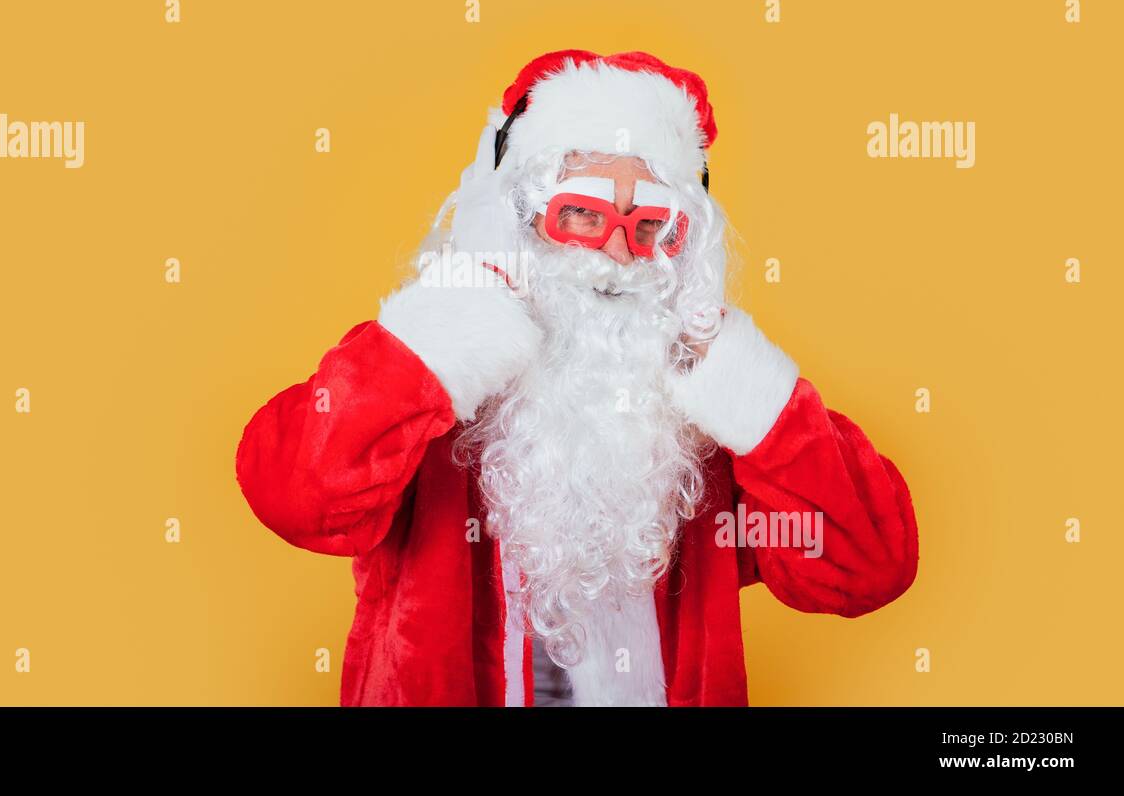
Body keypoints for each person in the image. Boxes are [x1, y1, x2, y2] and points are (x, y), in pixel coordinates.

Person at [236, 49, 919, 706]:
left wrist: (756, 396)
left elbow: (867, 568)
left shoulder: (693, 421)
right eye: (584, 214)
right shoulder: (426, 389)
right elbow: (296, 498)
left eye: (651, 225)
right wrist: (441, 335)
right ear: (519, 222)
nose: (621, 251)